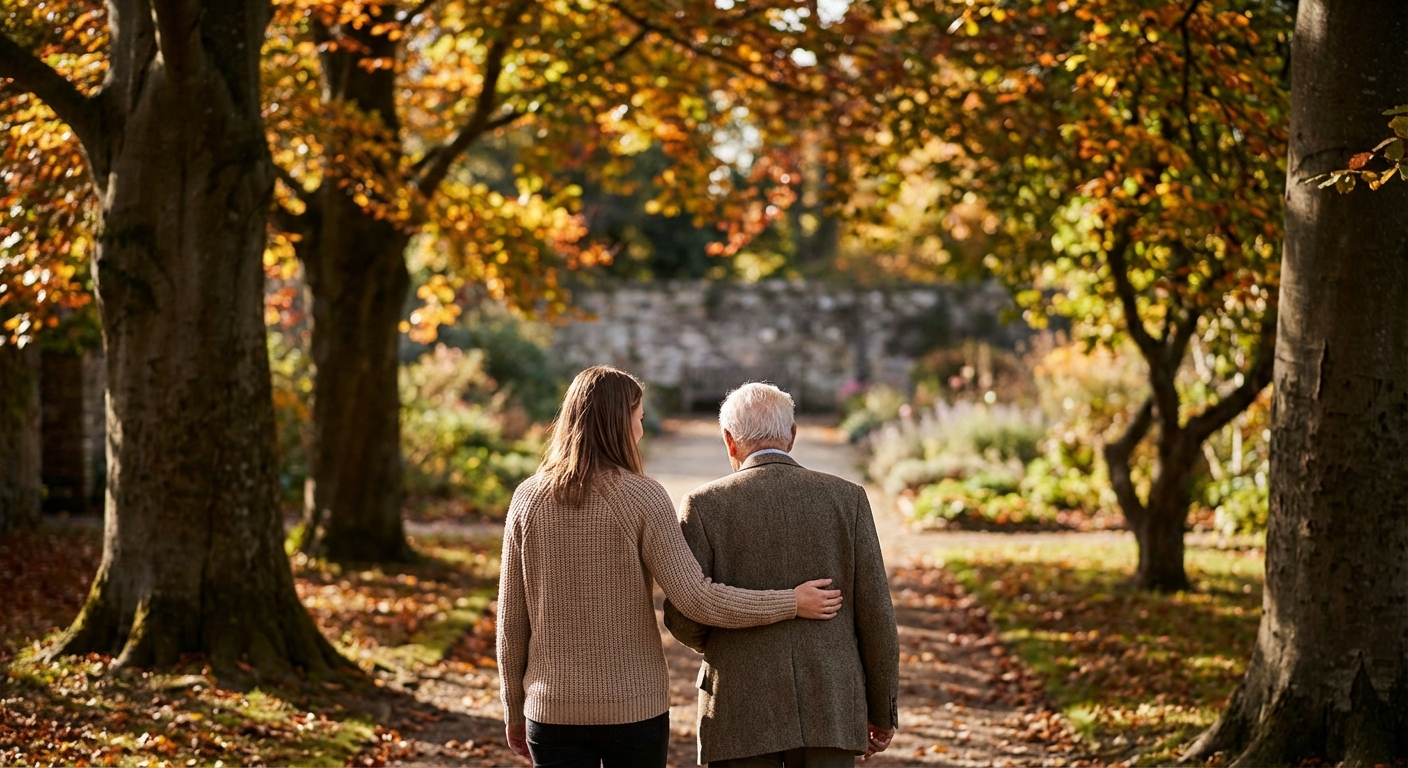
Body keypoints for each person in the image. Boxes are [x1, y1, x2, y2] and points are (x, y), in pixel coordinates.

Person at [496, 366, 844, 768]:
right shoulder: (643, 497)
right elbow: (696, 598)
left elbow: (511, 621)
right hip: (633, 707)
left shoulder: (527, 498)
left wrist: (513, 708)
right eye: (639, 418)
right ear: (620, 422)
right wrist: (791, 602)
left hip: (550, 708)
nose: (641, 429)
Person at [664, 382, 900, 767]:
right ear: (791, 436)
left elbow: (683, 615)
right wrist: (881, 709)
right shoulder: (847, 498)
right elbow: (876, 616)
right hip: (832, 704)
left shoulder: (702, 505)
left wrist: (728, 640)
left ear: (729, 440)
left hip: (739, 706)